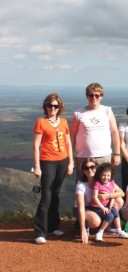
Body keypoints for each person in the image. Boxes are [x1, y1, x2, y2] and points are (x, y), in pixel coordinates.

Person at [32, 93, 74, 245]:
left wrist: (71, 162)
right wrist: (37, 166)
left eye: (56, 106)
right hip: (47, 162)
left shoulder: (63, 122)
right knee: (46, 197)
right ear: (46, 107)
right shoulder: (40, 122)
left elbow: (68, 143)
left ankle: (53, 227)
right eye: (50, 105)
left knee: (55, 194)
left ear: (59, 108)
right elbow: (36, 146)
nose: (53, 108)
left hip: (62, 162)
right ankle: (40, 232)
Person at [71, 82, 121, 180]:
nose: (94, 97)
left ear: (101, 96)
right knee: (83, 186)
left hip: (104, 156)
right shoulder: (78, 113)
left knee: (104, 186)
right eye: (91, 95)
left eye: (97, 95)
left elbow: (115, 133)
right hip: (83, 157)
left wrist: (117, 154)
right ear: (87, 96)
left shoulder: (107, 111)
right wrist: (71, 157)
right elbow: (72, 136)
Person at [74, 158, 124, 244]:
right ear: (83, 170)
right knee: (95, 222)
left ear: (97, 168)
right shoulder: (81, 185)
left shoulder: (103, 179)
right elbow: (81, 208)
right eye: (86, 168)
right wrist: (82, 230)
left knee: (119, 201)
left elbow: (122, 193)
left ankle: (108, 225)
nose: (89, 170)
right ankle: (85, 225)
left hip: (98, 207)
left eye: (92, 167)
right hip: (85, 209)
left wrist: (109, 195)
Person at [91, 163, 128, 242]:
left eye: (108, 175)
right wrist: (103, 208)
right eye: (104, 175)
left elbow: (112, 196)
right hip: (97, 207)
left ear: (111, 175)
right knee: (110, 216)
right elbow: (94, 198)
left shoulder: (112, 183)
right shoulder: (97, 184)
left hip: (107, 206)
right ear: (100, 175)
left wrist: (110, 206)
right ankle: (100, 232)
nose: (106, 177)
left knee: (115, 212)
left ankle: (119, 231)